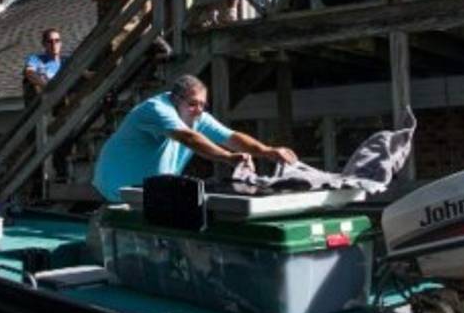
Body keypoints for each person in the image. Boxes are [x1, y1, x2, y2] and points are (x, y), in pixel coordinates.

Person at [92, 74, 298, 203]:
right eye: (193, 104)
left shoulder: (197, 116)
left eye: (202, 104)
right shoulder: (157, 109)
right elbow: (189, 139)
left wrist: (268, 151)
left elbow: (231, 137)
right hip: (117, 188)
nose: (198, 110)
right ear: (175, 99)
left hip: (151, 191)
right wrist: (228, 157)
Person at [22, 28, 64, 103]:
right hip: (45, 100)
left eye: (57, 41)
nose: (53, 44)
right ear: (44, 44)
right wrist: (48, 86)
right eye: (50, 41)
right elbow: (29, 73)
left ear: (60, 43)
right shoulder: (36, 59)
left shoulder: (67, 61)